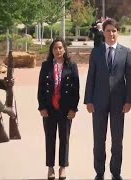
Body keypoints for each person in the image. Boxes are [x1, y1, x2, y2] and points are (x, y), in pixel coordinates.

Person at [84, 18, 131, 180]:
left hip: (119, 103)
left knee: (117, 140)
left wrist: (129, 100)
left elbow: (130, 79)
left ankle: (116, 172)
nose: (111, 33)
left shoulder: (126, 52)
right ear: (103, 33)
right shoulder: (96, 52)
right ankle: (99, 172)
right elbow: (91, 77)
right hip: (98, 102)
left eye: (114, 31)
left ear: (117, 32)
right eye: (108, 31)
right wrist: (88, 100)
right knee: (99, 140)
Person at [37, 37, 80, 180]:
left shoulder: (71, 66)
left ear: (65, 49)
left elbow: (76, 89)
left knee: (64, 138)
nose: (58, 50)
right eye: (55, 48)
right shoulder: (46, 66)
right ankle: (50, 167)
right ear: (52, 50)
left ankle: (62, 167)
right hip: (49, 109)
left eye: (60, 48)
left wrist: (73, 109)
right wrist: (42, 106)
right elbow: (41, 88)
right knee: (50, 138)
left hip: (65, 109)